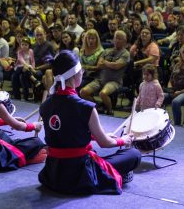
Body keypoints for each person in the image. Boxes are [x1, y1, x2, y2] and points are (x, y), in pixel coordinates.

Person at [39, 50, 141, 194]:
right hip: (79, 173)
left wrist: (99, 135)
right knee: (133, 154)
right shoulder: (85, 107)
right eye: (81, 70)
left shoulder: (45, 105)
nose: (83, 73)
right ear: (75, 74)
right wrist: (123, 140)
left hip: (53, 172)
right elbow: (105, 143)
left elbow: (67, 131)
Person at [80, 30, 130, 115]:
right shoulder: (106, 51)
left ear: (124, 41)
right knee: (83, 92)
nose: (117, 40)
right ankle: (96, 106)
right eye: (115, 38)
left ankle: (110, 111)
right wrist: (111, 64)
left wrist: (106, 63)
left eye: (119, 39)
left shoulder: (126, 54)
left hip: (114, 81)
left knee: (103, 93)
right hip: (100, 79)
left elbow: (117, 66)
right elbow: (99, 65)